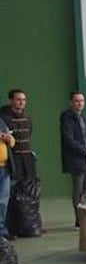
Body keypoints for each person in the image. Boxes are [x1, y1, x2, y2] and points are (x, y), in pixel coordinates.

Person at [0, 89, 40, 238]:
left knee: (22, 196)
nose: (21, 102)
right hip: (10, 163)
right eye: (18, 99)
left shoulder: (27, 119)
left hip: (26, 163)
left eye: (23, 100)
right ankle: (6, 228)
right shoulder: (3, 118)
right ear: (11, 100)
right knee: (7, 197)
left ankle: (22, 227)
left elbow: (21, 139)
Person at [59, 91, 86, 227]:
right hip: (76, 159)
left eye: (82, 101)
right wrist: (85, 151)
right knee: (78, 189)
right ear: (71, 103)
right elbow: (68, 140)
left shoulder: (85, 119)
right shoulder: (66, 118)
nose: (80, 103)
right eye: (77, 101)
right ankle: (79, 220)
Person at [0, 113, 13, 240]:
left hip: (4, 167)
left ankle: (2, 231)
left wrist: (9, 139)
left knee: (3, 201)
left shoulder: (1, 122)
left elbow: (12, 142)